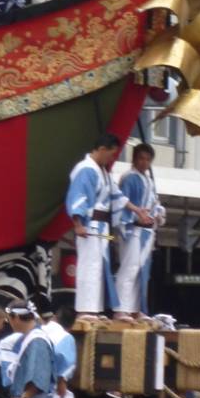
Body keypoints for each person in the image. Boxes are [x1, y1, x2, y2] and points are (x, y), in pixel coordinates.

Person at [66, 133, 154, 319]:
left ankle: (95, 309)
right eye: (111, 154)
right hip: (88, 226)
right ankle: (84, 309)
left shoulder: (104, 172)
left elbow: (117, 196)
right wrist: (78, 224)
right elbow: (77, 197)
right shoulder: (85, 169)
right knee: (89, 264)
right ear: (102, 149)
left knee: (101, 265)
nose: (111, 158)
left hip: (103, 229)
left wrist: (137, 210)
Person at [116, 143, 165, 318]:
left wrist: (158, 215)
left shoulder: (149, 181)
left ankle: (135, 308)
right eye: (141, 158)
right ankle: (120, 308)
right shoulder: (128, 178)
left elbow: (155, 204)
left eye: (147, 159)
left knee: (140, 271)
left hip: (147, 231)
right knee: (129, 269)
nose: (144, 162)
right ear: (134, 159)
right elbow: (121, 203)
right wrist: (137, 217)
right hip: (133, 229)